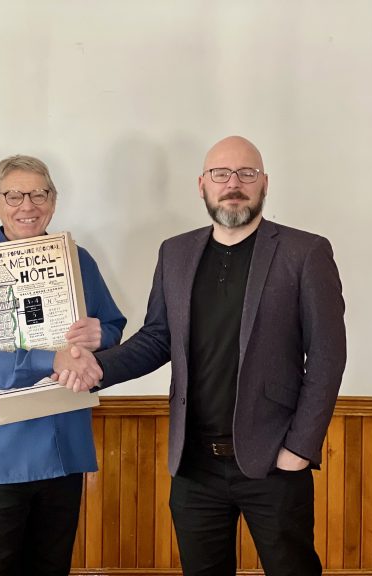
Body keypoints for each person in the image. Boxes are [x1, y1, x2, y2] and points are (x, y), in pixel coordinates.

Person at [55, 136, 346, 575]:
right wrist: (97, 368)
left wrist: (298, 449)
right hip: (194, 465)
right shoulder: (175, 252)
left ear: (265, 183)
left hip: (273, 460)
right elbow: (157, 338)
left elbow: (327, 356)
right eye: (220, 174)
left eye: (246, 173)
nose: (233, 184)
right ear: (202, 184)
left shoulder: (304, 252)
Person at [0, 154, 126, 576]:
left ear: (53, 201)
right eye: (14, 195)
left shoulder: (78, 262)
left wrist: (101, 335)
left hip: (64, 448)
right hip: (0, 457)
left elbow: (112, 327)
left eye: (39, 194)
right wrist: (50, 359)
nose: (27, 205)